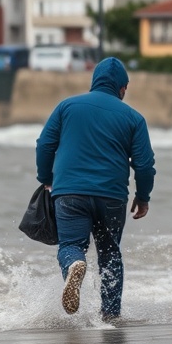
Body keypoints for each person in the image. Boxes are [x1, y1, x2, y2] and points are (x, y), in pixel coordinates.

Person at [35, 57, 155, 321]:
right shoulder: (134, 118)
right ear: (122, 88)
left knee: (71, 245)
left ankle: (74, 264)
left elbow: (44, 145)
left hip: (69, 193)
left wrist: (46, 178)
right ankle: (110, 316)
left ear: (94, 82)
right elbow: (145, 165)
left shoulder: (67, 106)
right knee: (110, 252)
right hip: (112, 197)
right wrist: (143, 197)